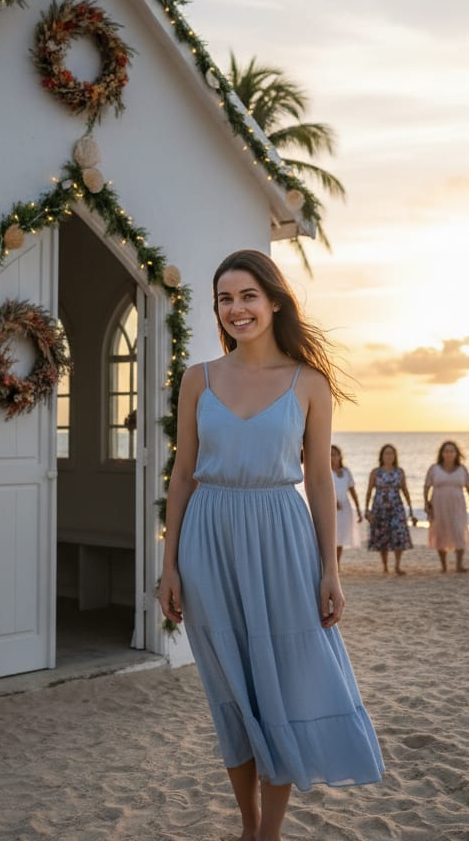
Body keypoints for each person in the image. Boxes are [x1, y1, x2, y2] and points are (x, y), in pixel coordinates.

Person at [158, 249, 384, 841]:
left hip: (284, 537)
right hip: (208, 538)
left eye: (248, 296)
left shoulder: (309, 383)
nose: (236, 309)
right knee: (231, 688)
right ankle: (248, 826)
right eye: (225, 299)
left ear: (275, 301)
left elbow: (317, 481)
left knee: (278, 685)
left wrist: (330, 570)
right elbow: (182, 474)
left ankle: (271, 833)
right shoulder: (197, 379)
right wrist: (169, 565)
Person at [423, 441, 469, 573]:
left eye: (452, 451)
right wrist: (426, 503)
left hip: (457, 505)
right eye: (446, 451)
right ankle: (444, 566)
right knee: (441, 532)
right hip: (439, 504)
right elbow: (427, 486)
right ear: (442, 454)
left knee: (459, 531)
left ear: (456, 454)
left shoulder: (462, 469)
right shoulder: (434, 469)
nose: (449, 454)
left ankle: (459, 565)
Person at [365, 444, 415, 575]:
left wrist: (410, 508)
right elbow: (369, 491)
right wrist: (367, 510)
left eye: (391, 453)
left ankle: (397, 565)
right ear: (381, 456)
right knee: (382, 536)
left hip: (396, 507)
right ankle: (385, 566)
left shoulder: (399, 472)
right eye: (386, 453)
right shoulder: (375, 472)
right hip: (379, 507)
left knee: (399, 534)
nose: (389, 456)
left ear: (395, 456)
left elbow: (405, 490)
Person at [331, 444, 362, 565]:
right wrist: (333, 501)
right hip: (330, 508)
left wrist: (358, 509)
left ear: (339, 456)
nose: (331, 457)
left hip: (345, 508)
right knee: (331, 537)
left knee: (341, 537)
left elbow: (352, 491)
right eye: (329, 455)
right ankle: (331, 564)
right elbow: (321, 490)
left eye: (334, 454)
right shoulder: (325, 471)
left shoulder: (346, 471)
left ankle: (337, 564)